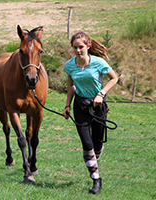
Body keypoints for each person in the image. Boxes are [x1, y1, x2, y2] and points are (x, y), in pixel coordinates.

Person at [63, 32, 118, 194]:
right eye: (75, 47)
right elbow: (71, 86)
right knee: (87, 144)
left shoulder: (98, 63)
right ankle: (96, 179)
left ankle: (93, 163)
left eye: (81, 47)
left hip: (98, 107)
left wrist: (101, 94)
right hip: (80, 106)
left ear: (88, 46)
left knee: (97, 143)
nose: (78, 50)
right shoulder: (69, 65)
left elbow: (114, 78)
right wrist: (67, 105)